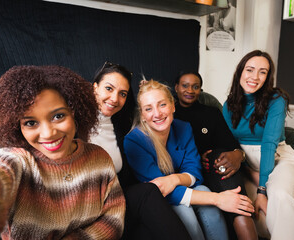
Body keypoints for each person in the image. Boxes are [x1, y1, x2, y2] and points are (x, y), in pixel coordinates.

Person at [0, 65, 125, 240]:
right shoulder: (18, 162)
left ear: (74, 112)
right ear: (18, 127)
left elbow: (113, 218)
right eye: (31, 123)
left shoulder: (99, 157)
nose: (48, 134)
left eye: (58, 116)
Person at [124, 79, 255, 240]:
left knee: (208, 200)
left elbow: (195, 171)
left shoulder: (183, 127)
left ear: (173, 106)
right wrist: (219, 199)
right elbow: (159, 189)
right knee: (187, 214)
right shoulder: (134, 141)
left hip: (181, 186)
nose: (157, 114)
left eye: (162, 105)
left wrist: (175, 179)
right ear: (143, 116)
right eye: (148, 109)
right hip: (154, 200)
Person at [89, 62, 191, 240]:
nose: (114, 98)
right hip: (86, 207)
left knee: (149, 196)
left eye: (122, 94)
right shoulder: (71, 124)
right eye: (108, 88)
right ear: (94, 87)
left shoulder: (122, 126)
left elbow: (147, 114)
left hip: (117, 204)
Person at [223, 50, 294, 239]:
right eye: (250, 70)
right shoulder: (228, 105)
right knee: (263, 222)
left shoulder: (277, 99)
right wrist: (249, 172)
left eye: (262, 72)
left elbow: (269, 143)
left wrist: (263, 189)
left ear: (268, 77)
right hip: (247, 165)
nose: (255, 77)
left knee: (280, 197)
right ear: (240, 72)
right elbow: (229, 145)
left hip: (278, 159)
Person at [173, 71, 258, 240]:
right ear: (176, 88)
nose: (190, 90)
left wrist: (237, 155)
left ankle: (244, 224)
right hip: (186, 170)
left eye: (195, 86)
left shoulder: (211, 112)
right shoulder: (168, 113)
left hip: (214, 166)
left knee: (220, 158)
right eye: (185, 85)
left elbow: (229, 143)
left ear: (200, 90)